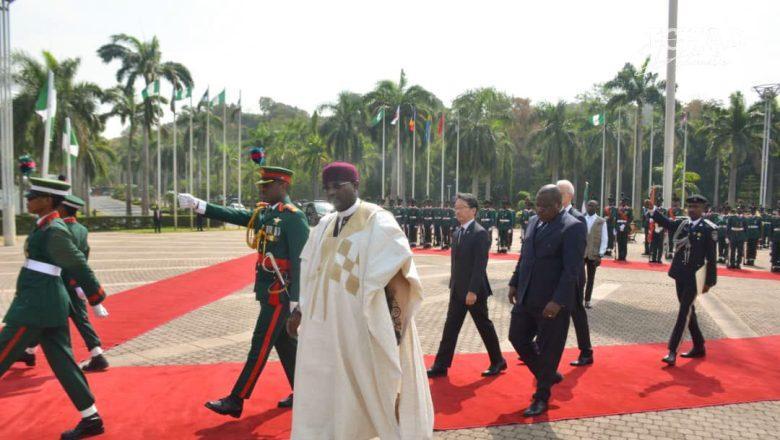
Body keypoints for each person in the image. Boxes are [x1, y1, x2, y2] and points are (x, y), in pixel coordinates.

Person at [289, 162, 433, 440]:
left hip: (361, 325)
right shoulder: (324, 224)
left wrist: (393, 324)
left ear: (355, 186)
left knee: (371, 384)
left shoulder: (377, 220)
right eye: (328, 188)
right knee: (324, 386)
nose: (332, 193)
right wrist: (300, 310)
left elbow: (398, 267)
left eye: (338, 187)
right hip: (323, 328)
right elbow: (309, 268)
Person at [178, 166, 309, 417]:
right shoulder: (268, 213)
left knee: (259, 346)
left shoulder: (294, 217)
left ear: (283, 186)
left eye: (267, 185)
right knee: (285, 345)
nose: (262, 188)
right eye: (262, 185)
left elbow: (302, 261)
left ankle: (236, 399)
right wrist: (201, 206)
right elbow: (237, 216)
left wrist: (296, 302)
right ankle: (305, 392)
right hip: (269, 291)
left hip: (280, 295)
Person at [0, 177, 108, 439]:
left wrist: (95, 295)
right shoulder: (45, 226)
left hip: (37, 305)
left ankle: (92, 418)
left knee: (3, 350)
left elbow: (77, 263)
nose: (28, 199)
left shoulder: (54, 229)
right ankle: (91, 417)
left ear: (48, 200)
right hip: (44, 302)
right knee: (63, 363)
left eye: (33, 195)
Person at [508, 185, 586, 416]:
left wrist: (558, 301)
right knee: (516, 337)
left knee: (549, 350)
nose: (539, 210)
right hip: (526, 295)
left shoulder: (572, 228)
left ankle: (541, 397)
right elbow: (525, 256)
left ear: (558, 204)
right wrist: (514, 281)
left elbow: (572, 270)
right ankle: (548, 374)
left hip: (552, 303)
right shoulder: (533, 222)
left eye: (544, 207)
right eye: (537, 205)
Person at [17, 194, 110, 371]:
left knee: (44, 318)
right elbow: (83, 257)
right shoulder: (81, 229)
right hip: (75, 282)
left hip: (58, 281)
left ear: (61, 209)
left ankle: (95, 357)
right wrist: (81, 284)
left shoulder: (57, 227)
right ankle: (29, 351)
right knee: (77, 319)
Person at [427, 193, 506, 379]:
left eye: (462, 207)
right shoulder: (457, 232)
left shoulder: (480, 233)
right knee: (450, 328)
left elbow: (480, 266)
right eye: (456, 208)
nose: (457, 211)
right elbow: (457, 264)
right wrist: (453, 286)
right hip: (457, 290)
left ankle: (498, 361)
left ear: (473, 210)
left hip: (474, 292)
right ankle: (441, 365)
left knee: (484, 326)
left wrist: (472, 291)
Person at [651, 195, 717, 366]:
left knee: (683, 311)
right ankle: (699, 345)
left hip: (696, 276)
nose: (692, 209)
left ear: (703, 209)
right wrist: (653, 211)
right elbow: (667, 223)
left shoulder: (709, 229)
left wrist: (710, 281)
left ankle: (672, 350)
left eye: (696, 206)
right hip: (680, 273)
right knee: (688, 310)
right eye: (690, 206)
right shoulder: (683, 224)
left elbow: (711, 258)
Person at [556, 180, 592, 367]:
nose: (555, 196)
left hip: (573, 274)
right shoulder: (552, 215)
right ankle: (539, 346)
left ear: (569, 195)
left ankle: (586, 351)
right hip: (555, 273)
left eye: (559, 193)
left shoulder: (577, 217)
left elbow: (578, 251)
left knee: (576, 312)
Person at [583, 200, 608, 310]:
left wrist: (601, 254)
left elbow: (604, 239)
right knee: (579, 278)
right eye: (588, 205)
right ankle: (577, 299)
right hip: (581, 254)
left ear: (597, 208)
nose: (590, 207)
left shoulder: (601, 221)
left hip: (594, 254)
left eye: (592, 206)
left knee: (591, 278)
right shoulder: (582, 218)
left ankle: (587, 300)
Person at [649, 197, 667, 263]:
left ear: (661, 202)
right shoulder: (653, 210)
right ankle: (653, 258)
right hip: (654, 227)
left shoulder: (664, 210)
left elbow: (665, 219)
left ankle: (659, 259)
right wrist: (651, 220)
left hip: (661, 228)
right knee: (654, 244)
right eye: (658, 201)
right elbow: (650, 216)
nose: (659, 203)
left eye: (660, 201)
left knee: (660, 245)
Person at [771, 208, 780, 272]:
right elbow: (771, 229)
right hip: (775, 237)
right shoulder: (774, 220)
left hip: (776, 237)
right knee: (774, 252)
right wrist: (771, 238)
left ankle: (778, 265)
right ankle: (774, 265)